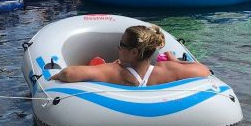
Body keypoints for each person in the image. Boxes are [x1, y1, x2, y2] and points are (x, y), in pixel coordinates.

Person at [50, 24, 211, 86]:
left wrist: (53, 77)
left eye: (122, 44)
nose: (118, 47)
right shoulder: (167, 70)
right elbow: (203, 70)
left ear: (134, 52)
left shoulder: (114, 72)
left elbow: (68, 73)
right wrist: (176, 62)